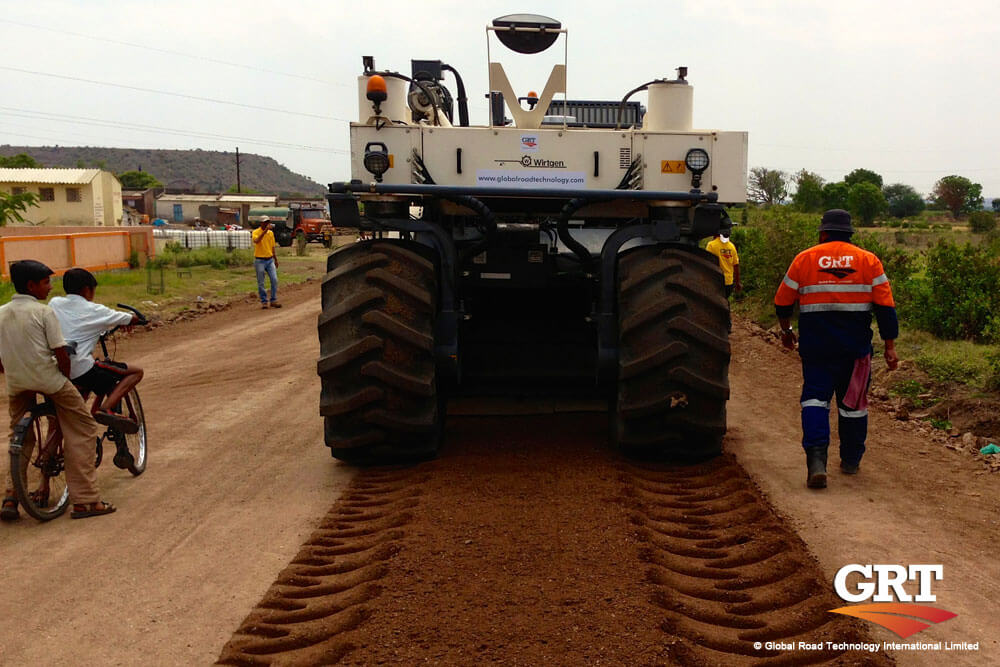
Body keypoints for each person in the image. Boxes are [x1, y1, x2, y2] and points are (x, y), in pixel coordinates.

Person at [774, 209, 899, 489]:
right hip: (856, 352)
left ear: (823, 233)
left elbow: (782, 302)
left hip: (816, 349)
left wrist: (786, 332)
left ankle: (817, 462)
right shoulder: (869, 261)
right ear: (850, 234)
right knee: (853, 406)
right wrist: (890, 346)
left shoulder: (804, 259)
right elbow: (886, 309)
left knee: (815, 401)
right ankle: (851, 460)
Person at [0, 260, 115, 520]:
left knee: (20, 435)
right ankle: (86, 501)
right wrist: (65, 381)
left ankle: (11, 497)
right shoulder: (44, 313)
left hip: (17, 384)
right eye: (45, 283)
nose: (50, 288)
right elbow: (60, 353)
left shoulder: (2, 312)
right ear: (31, 286)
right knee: (83, 427)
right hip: (49, 381)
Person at [49, 268, 144, 435]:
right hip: (80, 370)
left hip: (54, 367)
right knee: (136, 372)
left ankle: (49, 454)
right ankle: (106, 409)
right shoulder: (96, 310)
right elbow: (130, 318)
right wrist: (134, 319)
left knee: (62, 419)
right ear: (87, 289)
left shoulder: (54, 303)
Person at [705, 225, 742, 331]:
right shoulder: (731, 246)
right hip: (729, 282)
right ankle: (727, 324)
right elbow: (736, 265)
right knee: (725, 301)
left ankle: (714, 324)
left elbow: (707, 262)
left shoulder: (711, 245)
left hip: (716, 280)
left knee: (714, 302)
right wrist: (737, 282)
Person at [252, 216, 281, 309]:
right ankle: (264, 301)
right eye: (265, 222)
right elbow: (256, 241)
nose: (267, 224)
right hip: (259, 260)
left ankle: (273, 299)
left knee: (274, 280)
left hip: (269, 259)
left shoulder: (271, 234)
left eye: (268, 222)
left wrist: (275, 259)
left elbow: (272, 247)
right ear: (261, 223)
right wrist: (264, 232)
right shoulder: (256, 232)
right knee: (261, 282)